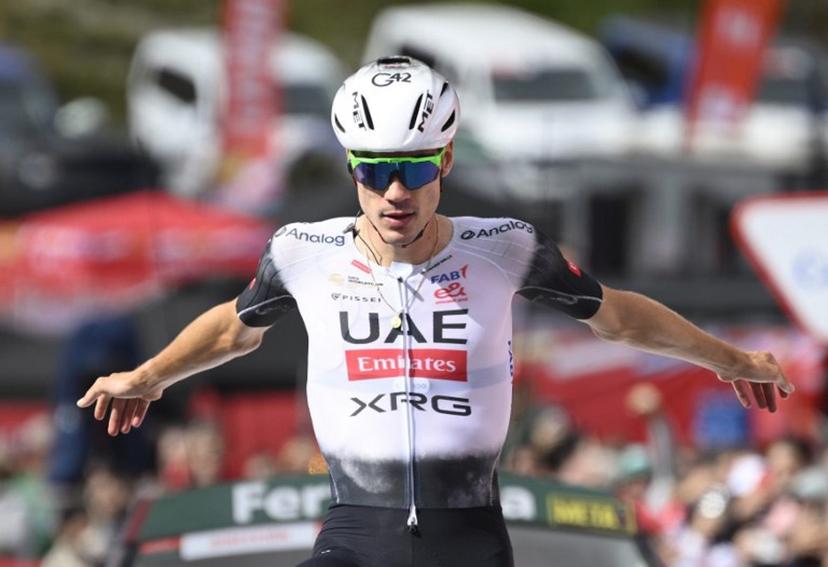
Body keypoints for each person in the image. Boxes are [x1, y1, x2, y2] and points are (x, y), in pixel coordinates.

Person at [76, 56, 795, 567]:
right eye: (375, 169)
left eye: (416, 168)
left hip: (469, 535)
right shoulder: (301, 250)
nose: (396, 191)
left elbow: (620, 318)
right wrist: (148, 374)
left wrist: (732, 359)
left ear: (445, 160)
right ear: (351, 167)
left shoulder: (506, 246)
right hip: (355, 531)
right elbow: (234, 327)